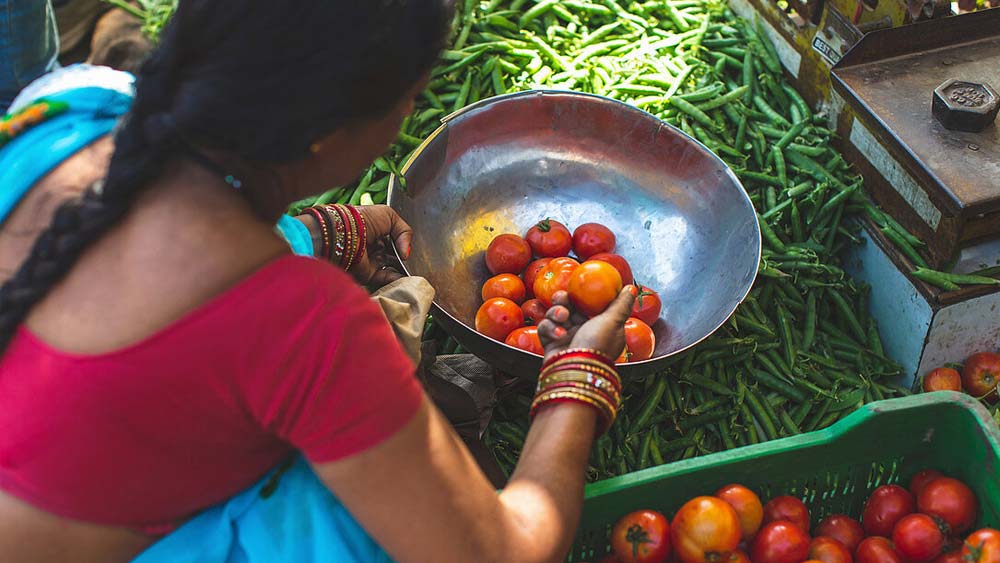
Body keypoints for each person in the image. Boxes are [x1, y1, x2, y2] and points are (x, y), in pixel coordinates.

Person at [0, 1, 637, 562]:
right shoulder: (306, 327)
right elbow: (503, 551)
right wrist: (575, 375)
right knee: (368, 518)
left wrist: (319, 235)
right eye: (409, 98)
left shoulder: (67, 110)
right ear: (328, 135)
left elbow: (145, 249)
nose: (409, 113)